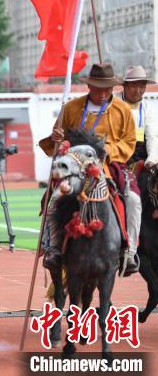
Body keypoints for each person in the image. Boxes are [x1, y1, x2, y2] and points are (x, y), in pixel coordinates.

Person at [39, 62, 139, 275]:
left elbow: (129, 142)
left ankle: (129, 251)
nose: (103, 94)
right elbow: (57, 142)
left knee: (133, 200)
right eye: (98, 89)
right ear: (89, 86)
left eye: (107, 89)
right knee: (54, 198)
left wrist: (107, 151)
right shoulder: (71, 108)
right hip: (75, 169)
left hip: (108, 166)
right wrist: (56, 138)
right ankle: (53, 247)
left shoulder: (123, 110)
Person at [119, 65, 158, 173]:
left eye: (142, 86)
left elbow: (152, 136)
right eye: (134, 86)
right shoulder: (114, 103)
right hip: (119, 150)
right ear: (125, 86)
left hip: (141, 152)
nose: (138, 91)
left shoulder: (147, 107)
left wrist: (152, 159)